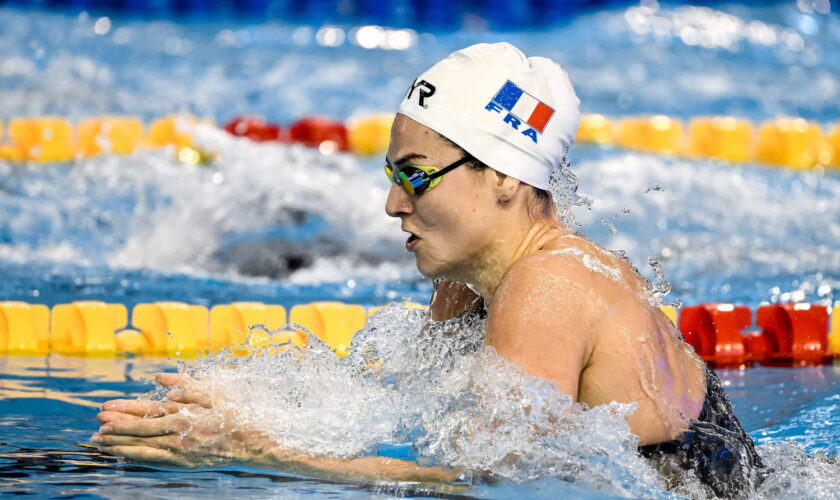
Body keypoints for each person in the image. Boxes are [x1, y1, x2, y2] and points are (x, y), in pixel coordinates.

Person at [92, 42, 763, 496]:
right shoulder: (468, 283)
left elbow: (486, 488)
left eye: (415, 177)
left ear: (502, 176)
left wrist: (259, 449)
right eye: (392, 175)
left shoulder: (547, 288)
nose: (391, 204)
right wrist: (246, 405)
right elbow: (398, 405)